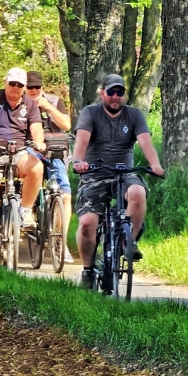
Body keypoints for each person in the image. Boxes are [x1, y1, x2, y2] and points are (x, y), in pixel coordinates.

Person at [72, 74, 164, 289]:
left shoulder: (134, 115)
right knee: (87, 225)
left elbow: (145, 142)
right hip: (95, 173)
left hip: (124, 173)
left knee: (138, 193)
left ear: (124, 94)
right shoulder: (90, 113)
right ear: (102, 93)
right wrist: (79, 161)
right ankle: (87, 270)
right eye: (111, 92)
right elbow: (82, 141)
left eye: (119, 92)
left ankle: (127, 241)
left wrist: (155, 164)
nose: (115, 96)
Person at [0, 68, 45, 266]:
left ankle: (25, 210)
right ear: (5, 82)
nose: (15, 88)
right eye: (12, 83)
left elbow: (36, 128)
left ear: (24, 88)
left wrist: (39, 142)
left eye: (20, 85)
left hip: (19, 152)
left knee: (36, 167)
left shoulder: (30, 104)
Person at [25, 70, 74, 264]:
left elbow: (66, 125)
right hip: (30, 152)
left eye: (37, 87)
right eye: (30, 88)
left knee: (66, 194)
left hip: (54, 151)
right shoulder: (20, 104)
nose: (34, 91)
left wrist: (48, 108)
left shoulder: (53, 101)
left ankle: (61, 242)